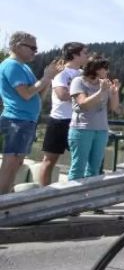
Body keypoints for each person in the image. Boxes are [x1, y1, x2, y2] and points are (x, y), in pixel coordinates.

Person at [0, 32, 62, 194]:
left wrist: (48, 79)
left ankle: (6, 199)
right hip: (17, 120)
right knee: (11, 162)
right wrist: (46, 77)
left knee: (17, 163)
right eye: (32, 48)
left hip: (25, 121)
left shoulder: (24, 67)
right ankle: (3, 203)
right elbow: (26, 93)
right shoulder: (12, 65)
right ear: (16, 46)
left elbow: (37, 94)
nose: (35, 51)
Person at [38, 42, 88, 186]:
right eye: (85, 53)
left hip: (79, 122)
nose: (87, 56)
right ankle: (44, 195)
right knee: (49, 161)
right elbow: (62, 95)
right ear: (75, 55)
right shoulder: (61, 73)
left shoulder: (83, 74)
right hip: (59, 121)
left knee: (81, 161)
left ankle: (77, 194)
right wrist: (83, 95)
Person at [68, 56, 120, 181]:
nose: (107, 71)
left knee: (94, 169)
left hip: (101, 130)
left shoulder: (104, 84)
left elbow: (114, 107)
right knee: (78, 168)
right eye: (105, 68)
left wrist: (114, 92)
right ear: (95, 69)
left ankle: (89, 198)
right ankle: (72, 197)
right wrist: (101, 91)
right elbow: (83, 104)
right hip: (82, 129)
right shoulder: (78, 81)